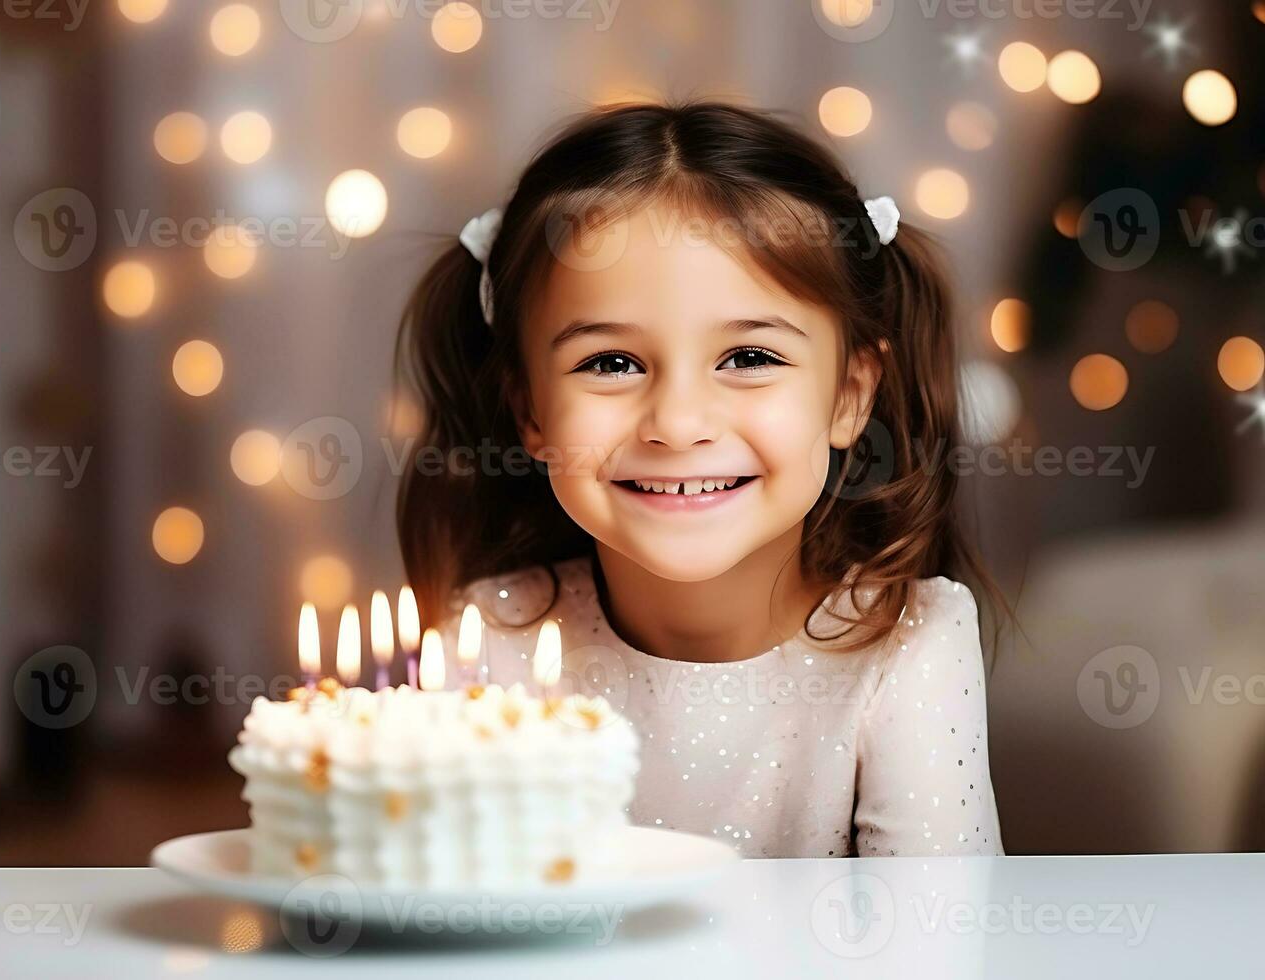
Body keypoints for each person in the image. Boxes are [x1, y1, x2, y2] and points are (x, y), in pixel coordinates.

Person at [395, 99, 1004, 858]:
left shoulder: (906, 645)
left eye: (749, 358)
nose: (679, 424)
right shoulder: (489, 642)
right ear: (531, 410)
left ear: (850, 394)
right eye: (610, 363)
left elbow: (938, 942)